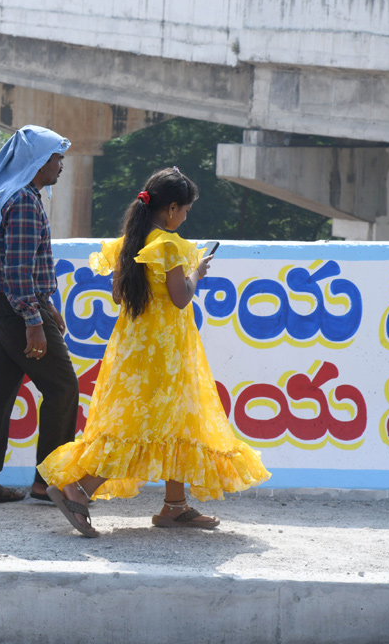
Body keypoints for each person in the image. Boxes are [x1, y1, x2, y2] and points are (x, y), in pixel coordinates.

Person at [39, 168, 270, 537]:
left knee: (166, 420)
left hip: (134, 344)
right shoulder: (169, 245)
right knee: (150, 420)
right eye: (186, 210)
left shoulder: (131, 241)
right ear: (172, 208)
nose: (185, 216)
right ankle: (79, 490)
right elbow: (181, 298)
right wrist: (198, 273)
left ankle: (174, 506)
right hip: (167, 348)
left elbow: (118, 296)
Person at [0, 125, 76, 506]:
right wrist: (34, 320)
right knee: (62, 388)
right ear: (40, 162)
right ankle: (49, 482)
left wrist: (47, 307)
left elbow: (13, 269)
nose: (60, 165)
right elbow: (17, 270)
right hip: (17, 308)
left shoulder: (6, 193)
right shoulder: (26, 201)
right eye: (57, 158)